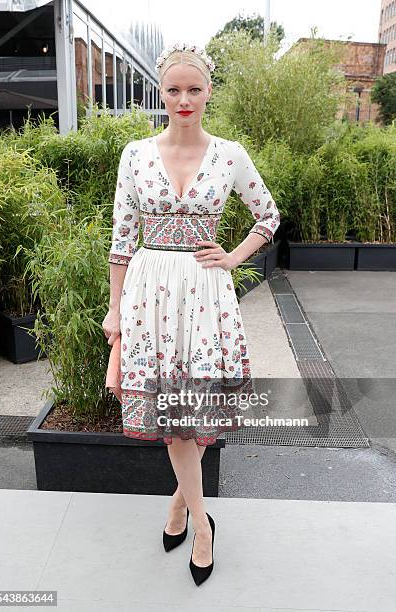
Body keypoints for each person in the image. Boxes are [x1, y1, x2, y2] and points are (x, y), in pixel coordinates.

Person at [102, 41, 280, 586]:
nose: (184, 99)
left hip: (205, 293)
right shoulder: (135, 153)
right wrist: (114, 312)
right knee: (176, 415)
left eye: (194, 89)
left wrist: (231, 257)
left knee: (189, 411)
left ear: (208, 92)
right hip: (150, 291)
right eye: (174, 89)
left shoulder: (230, 154)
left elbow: (267, 215)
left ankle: (189, 515)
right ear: (162, 92)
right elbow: (121, 238)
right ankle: (199, 519)